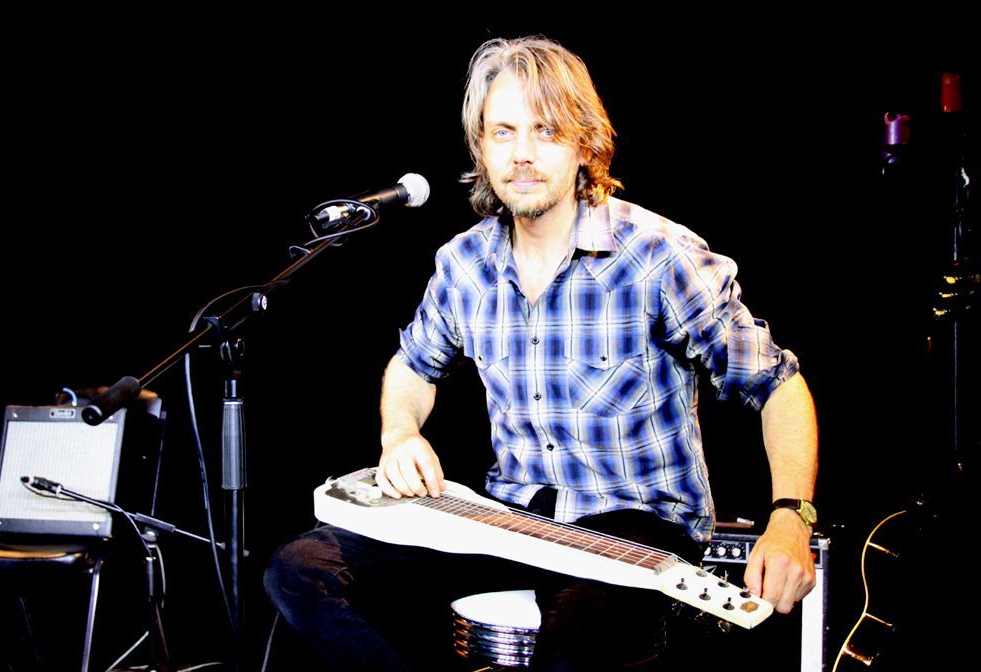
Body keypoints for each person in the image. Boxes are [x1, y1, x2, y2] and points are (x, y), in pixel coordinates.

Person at [264, 35, 817, 671]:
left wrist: (789, 518)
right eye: (502, 132)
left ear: (585, 144)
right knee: (301, 572)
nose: (522, 154)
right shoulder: (465, 264)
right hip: (515, 521)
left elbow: (777, 385)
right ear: (480, 146)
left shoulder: (659, 256)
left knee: (572, 648)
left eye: (545, 131)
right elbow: (412, 367)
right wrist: (399, 433)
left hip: (639, 527)